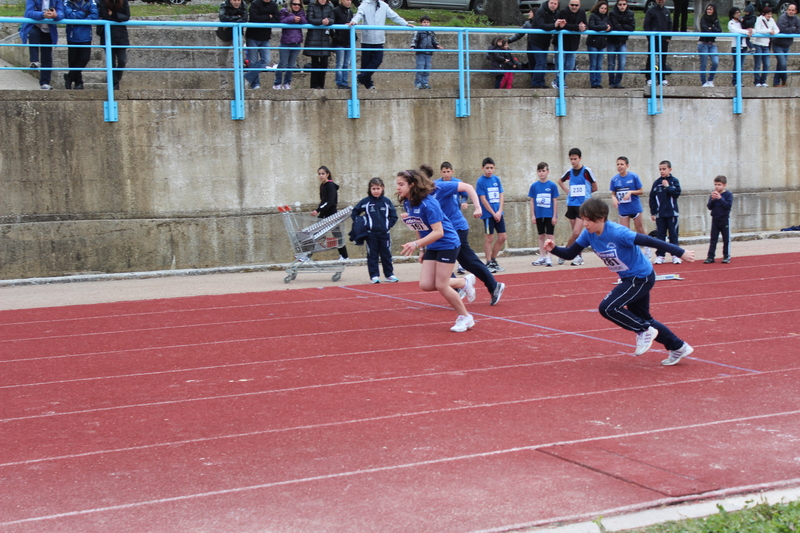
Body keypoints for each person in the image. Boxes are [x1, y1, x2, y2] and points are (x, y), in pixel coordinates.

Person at [544, 198, 696, 366]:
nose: (584, 223)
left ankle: (643, 330)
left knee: (607, 307)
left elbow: (651, 241)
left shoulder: (618, 233)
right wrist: (554, 249)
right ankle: (678, 346)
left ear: (601, 218)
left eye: (588, 219)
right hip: (629, 278)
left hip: (641, 277)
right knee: (644, 318)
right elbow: (571, 253)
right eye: (583, 219)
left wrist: (680, 252)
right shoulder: (589, 234)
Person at [396, 169, 476, 333]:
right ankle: (463, 282)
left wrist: (416, 244)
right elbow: (418, 226)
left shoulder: (429, 203)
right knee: (425, 285)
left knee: (441, 285)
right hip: (432, 245)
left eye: (401, 184)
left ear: (412, 185)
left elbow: (439, 232)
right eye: (397, 184)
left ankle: (465, 317)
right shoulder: (407, 203)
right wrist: (422, 249)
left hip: (447, 243)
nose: (398, 187)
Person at [429, 163, 505, 306]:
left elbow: (467, 189)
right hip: (446, 229)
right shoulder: (423, 193)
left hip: (455, 228)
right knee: (465, 261)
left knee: (442, 260)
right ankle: (489, 286)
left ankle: (464, 286)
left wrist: (476, 207)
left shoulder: (444, 185)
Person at [347, 0, 412, 90]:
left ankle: (359, 78)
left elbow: (394, 16)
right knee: (366, 63)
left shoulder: (384, 5)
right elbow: (359, 14)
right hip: (367, 39)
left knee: (378, 60)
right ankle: (368, 84)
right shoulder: (365, 4)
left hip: (379, 39)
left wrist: (405, 23)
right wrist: (354, 21)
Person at [352, 177, 398, 283]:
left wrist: (387, 226)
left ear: (382, 188)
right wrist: (361, 223)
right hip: (370, 234)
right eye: (373, 189)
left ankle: (389, 274)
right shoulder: (365, 202)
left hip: (384, 234)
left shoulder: (387, 202)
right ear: (370, 189)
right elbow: (355, 212)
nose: (376, 191)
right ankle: (374, 276)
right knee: (372, 255)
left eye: (378, 188)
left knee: (386, 254)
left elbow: (394, 216)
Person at [509, 0, 564, 88]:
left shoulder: (556, 13)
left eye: (555, 4)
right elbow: (542, 25)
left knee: (542, 63)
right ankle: (535, 83)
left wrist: (559, 26)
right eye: (552, 3)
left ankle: (540, 83)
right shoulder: (541, 11)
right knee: (540, 62)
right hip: (536, 40)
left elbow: (556, 27)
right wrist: (555, 25)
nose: (553, 5)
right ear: (548, 3)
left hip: (545, 41)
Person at [558, 147, 597, 266]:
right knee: (576, 233)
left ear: (580, 158)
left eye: (575, 159)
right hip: (571, 204)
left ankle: (565, 250)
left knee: (576, 232)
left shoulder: (586, 171)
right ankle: (578, 256)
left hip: (582, 205)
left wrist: (586, 194)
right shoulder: (569, 172)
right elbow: (560, 180)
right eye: (571, 159)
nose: (573, 161)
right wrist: (567, 190)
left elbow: (595, 187)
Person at [609, 157, 649, 260]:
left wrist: (631, 192)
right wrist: (613, 198)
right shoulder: (614, 179)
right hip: (623, 209)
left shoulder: (633, 177)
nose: (619, 166)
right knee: (625, 232)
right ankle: (632, 253)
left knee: (640, 228)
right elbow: (613, 193)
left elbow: (641, 191)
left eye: (622, 164)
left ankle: (647, 248)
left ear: (627, 166)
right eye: (618, 164)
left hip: (634, 207)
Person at [21, 0, 65, 90]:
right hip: (35, 26)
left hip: (49, 29)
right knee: (33, 34)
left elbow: (62, 12)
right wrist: (43, 15)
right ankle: (34, 61)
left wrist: (56, 15)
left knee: (47, 56)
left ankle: (45, 83)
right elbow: (29, 12)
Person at [476, 157, 507, 274]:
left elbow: (501, 195)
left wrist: (499, 211)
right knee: (489, 238)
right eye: (487, 168)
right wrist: (493, 213)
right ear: (482, 168)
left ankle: (494, 260)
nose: (489, 170)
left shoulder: (497, 179)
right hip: (488, 215)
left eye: (491, 168)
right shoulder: (480, 181)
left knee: (502, 237)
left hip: (498, 213)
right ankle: (488, 262)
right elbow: (483, 199)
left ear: (494, 168)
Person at [311, 166, 349, 260]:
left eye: (323, 174)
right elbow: (323, 201)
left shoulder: (330, 186)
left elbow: (329, 201)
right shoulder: (322, 186)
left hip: (331, 215)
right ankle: (307, 255)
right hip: (323, 214)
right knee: (316, 234)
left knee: (336, 235)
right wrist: (320, 210)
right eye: (319, 174)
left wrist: (318, 210)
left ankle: (344, 256)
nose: (321, 176)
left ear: (327, 174)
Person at [648, 160, 682, 265]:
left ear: (670, 169)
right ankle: (660, 256)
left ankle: (675, 255)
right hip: (660, 214)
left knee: (673, 235)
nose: (662, 171)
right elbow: (652, 198)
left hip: (672, 214)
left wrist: (667, 186)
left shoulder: (674, 181)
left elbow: (676, 193)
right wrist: (653, 212)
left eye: (664, 169)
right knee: (660, 236)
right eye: (660, 169)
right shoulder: (657, 183)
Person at [528, 162, 559, 267]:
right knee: (541, 236)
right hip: (539, 215)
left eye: (543, 171)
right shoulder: (534, 186)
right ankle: (542, 256)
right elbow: (532, 201)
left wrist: (554, 216)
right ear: (537, 172)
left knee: (550, 236)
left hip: (549, 215)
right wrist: (533, 215)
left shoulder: (552, 185)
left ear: (548, 172)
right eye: (539, 171)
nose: (541, 173)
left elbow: (555, 201)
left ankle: (550, 257)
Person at [244, 0, 279, 90]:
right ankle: (255, 85)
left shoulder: (273, 5)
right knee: (253, 61)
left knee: (266, 60)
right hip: (252, 37)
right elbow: (254, 18)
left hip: (265, 38)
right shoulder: (255, 3)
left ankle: (247, 76)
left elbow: (277, 19)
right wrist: (268, 16)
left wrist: (263, 17)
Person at [95, 0, 130, 90]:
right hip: (108, 36)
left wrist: (113, 14)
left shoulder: (124, 2)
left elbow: (127, 16)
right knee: (112, 62)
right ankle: (114, 83)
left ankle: (116, 80)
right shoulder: (103, 2)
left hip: (121, 36)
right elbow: (105, 16)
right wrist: (118, 17)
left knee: (122, 61)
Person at [63, 0, 97, 90]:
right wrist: (84, 13)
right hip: (72, 35)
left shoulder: (90, 2)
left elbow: (94, 16)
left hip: (86, 36)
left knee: (84, 58)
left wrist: (79, 18)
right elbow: (69, 16)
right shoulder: (67, 2)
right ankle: (79, 83)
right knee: (73, 61)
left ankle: (69, 77)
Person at [273, 0, 306, 90]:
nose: (296, 6)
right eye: (294, 4)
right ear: (290, 4)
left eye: (298, 4)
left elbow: (305, 22)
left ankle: (287, 82)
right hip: (285, 42)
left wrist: (300, 18)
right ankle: (277, 82)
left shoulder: (302, 12)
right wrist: (292, 18)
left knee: (291, 65)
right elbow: (281, 21)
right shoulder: (284, 11)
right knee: (282, 63)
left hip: (297, 42)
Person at [554, 0, 587, 89]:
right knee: (560, 64)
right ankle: (559, 82)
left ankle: (558, 81)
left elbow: (585, 25)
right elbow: (563, 25)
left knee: (570, 65)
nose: (574, 7)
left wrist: (583, 27)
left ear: (580, 5)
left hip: (573, 43)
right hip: (562, 42)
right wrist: (577, 27)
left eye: (576, 5)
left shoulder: (582, 12)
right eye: (572, 5)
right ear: (569, 5)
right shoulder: (563, 12)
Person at [215, 0, 247, 89]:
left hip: (237, 35)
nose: (237, 2)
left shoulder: (243, 5)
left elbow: (244, 19)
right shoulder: (224, 5)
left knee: (238, 60)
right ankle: (224, 85)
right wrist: (237, 18)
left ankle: (240, 85)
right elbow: (223, 18)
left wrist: (230, 22)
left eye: (238, 0)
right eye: (234, 0)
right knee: (221, 60)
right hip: (223, 36)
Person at [304, 0, 334, 90]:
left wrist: (328, 21)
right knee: (315, 63)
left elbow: (333, 19)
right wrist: (321, 21)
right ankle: (314, 85)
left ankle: (321, 85)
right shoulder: (312, 5)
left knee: (324, 63)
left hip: (325, 38)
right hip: (314, 37)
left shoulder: (330, 6)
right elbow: (309, 19)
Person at [705, 175, 734, 264]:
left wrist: (720, 198)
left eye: (719, 184)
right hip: (715, 219)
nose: (717, 186)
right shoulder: (713, 194)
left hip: (724, 219)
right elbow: (709, 207)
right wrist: (713, 200)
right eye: (715, 184)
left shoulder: (728, 195)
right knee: (713, 239)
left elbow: (728, 206)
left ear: (724, 185)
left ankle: (726, 256)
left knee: (726, 239)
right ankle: (710, 257)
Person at [410, 15, 442, 90]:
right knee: (420, 69)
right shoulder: (418, 31)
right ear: (421, 23)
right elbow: (415, 40)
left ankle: (425, 83)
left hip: (429, 53)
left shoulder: (431, 32)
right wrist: (413, 47)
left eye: (427, 22)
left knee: (427, 69)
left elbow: (433, 41)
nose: (426, 24)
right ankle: (418, 84)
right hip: (421, 52)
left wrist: (437, 46)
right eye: (424, 22)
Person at [643, 0, 671, 86]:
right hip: (654, 39)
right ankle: (649, 78)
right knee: (651, 58)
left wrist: (668, 37)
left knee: (662, 59)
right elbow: (646, 25)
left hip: (664, 40)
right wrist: (650, 37)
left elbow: (669, 24)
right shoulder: (651, 11)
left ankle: (661, 78)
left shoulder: (667, 11)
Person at [607, 0, 634, 89]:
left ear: (627, 5)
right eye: (620, 4)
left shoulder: (630, 13)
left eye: (624, 4)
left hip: (622, 42)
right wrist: (624, 27)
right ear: (617, 5)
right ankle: (612, 83)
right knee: (611, 64)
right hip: (612, 41)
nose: (622, 6)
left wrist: (621, 25)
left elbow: (632, 27)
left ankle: (617, 82)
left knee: (622, 63)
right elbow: (614, 26)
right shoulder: (612, 13)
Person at [773, 3, 800, 87]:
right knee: (783, 64)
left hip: (787, 45)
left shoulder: (796, 18)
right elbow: (782, 29)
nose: (791, 12)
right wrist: (793, 28)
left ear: (795, 11)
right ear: (786, 10)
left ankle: (776, 83)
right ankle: (784, 80)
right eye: (789, 10)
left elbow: (799, 30)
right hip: (778, 45)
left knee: (780, 64)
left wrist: (791, 29)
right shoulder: (782, 18)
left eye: (793, 10)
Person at [586, 0, 611, 89]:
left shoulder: (607, 17)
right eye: (602, 8)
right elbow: (592, 27)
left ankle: (598, 81)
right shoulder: (593, 16)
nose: (604, 10)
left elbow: (610, 27)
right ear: (598, 8)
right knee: (593, 64)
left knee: (599, 64)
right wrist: (604, 27)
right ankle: (593, 82)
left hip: (602, 43)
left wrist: (606, 28)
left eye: (605, 8)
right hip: (593, 43)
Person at [753, 6, 779, 88]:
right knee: (757, 64)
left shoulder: (771, 20)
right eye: (768, 14)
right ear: (764, 14)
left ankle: (763, 81)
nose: (769, 15)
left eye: (770, 14)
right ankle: (757, 81)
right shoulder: (759, 19)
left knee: (767, 64)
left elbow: (777, 29)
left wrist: (773, 32)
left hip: (766, 45)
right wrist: (768, 31)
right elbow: (758, 30)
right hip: (758, 44)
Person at [332, 0, 355, 89]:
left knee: (346, 63)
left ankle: (345, 82)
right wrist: (336, 37)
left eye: (350, 0)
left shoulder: (350, 11)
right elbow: (331, 26)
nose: (348, 2)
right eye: (346, 0)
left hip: (348, 41)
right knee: (340, 63)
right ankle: (339, 82)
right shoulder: (336, 10)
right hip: (340, 41)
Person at [727, 7, 753, 86]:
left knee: (741, 65)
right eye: (736, 13)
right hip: (736, 46)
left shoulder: (741, 22)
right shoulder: (731, 23)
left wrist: (751, 31)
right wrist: (746, 32)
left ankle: (740, 81)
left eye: (739, 12)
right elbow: (735, 30)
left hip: (744, 46)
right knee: (737, 64)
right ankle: (735, 81)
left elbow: (750, 28)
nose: (738, 14)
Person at [697, 3, 720, 87]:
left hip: (712, 44)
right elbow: (705, 29)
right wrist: (712, 29)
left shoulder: (716, 19)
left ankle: (710, 79)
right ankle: (703, 82)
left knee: (715, 62)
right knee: (704, 64)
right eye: (708, 9)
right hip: (703, 44)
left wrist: (712, 28)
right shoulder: (703, 19)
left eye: (711, 9)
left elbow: (719, 30)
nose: (709, 11)